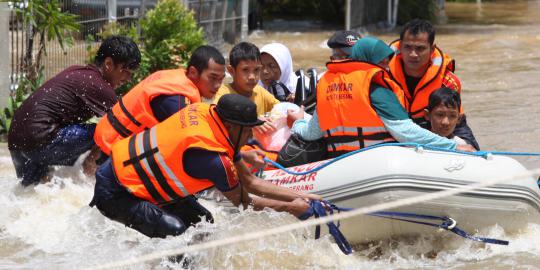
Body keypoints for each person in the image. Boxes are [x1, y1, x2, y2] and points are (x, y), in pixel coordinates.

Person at [89, 94, 320, 238]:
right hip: (116, 192)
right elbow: (246, 203)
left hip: (124, 172)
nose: (251, 135)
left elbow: (251, 181)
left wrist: (301, 195)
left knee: (203, 224)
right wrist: (291, 208)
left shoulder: (205, 113)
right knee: (176, 232)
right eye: (248, 129)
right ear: (231, 126)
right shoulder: (214, 160)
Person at [287, 36, 476, 160]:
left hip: (339, 164)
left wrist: (297, 123)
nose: (386, 68)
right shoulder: (375, 88)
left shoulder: (327, 86)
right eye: (382, 63)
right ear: (368, 60)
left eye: (387, 63)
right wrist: (452, 146)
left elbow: (312, 133)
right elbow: (406, 132)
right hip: (379, 163)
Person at [8, 36, 141, 187]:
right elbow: (126, 125)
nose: (128, 78)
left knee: (32, 193)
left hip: (16, 142)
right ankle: (89, 173)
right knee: (109, 130)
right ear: (109, 64)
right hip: (40, 143)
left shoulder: (78, 72)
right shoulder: (99, 86)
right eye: (126, 71)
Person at [94, 45, 226, 157]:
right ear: (193, 72)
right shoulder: (177, 100)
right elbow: (190, 144)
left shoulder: (174, 77)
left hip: (104, 138)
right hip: (111, 148)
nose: (217, 85)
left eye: (221, 79)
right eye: (213, 78)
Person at [388, 19, 479, 150]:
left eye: (420, 48)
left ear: (432, 49)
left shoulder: (448, 82)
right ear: (400, 46)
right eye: (408, 47)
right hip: (394, 126)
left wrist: (469, 147)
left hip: (431, 127)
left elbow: (457, 124)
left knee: (471, 149)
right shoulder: (383, 74)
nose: (413, 54)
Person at [211, 42, 279, 117]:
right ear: (231, 71)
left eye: (256, 69)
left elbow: (281, 108)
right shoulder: (223, 94)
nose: (252, 77)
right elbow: (214, 115)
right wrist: (256, 124)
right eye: (245, 70)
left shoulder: (260, 92)